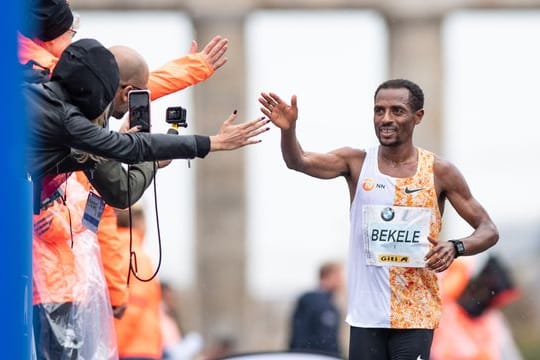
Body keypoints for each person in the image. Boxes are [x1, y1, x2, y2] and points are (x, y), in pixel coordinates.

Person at [259, 79, 499, 360]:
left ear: (417, 116)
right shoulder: (357, 163)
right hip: (366, 317)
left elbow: (488, 229)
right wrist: (289, 131)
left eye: (397, 111)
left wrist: (455, 247)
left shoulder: (439, 172)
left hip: (415, 315)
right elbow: (298, 161)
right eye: (379, 110)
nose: (386, 119)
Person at [289, 261, 344, 357]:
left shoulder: (331, 305)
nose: (341, 281)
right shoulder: (310, 300)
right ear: (328, 276)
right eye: (338, 276)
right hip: (313, 356)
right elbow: (299, 336)